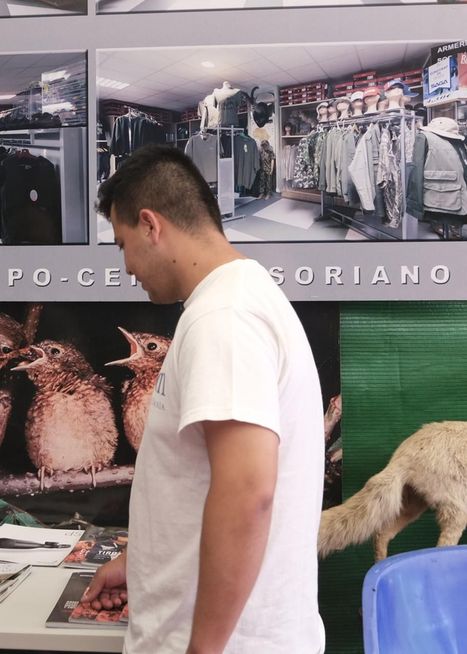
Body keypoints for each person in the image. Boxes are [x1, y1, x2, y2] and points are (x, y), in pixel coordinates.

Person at [84, 145, 325, 654]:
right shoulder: (236, 301)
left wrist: (204, 651)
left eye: (122, 243)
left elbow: (247, 492)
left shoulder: (225, 318)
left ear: (152, 226)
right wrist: (144, 562)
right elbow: (204, 482)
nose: (127, 267)